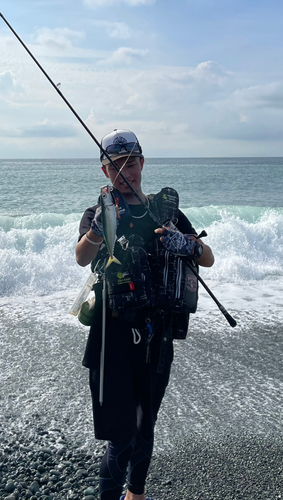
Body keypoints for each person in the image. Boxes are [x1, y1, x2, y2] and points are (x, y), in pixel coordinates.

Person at [76, 129, 214, 500]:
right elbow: (81, 257)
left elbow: (208, 257)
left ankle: (135, 495)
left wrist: (186, 242)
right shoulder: (99, 211)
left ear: (142, 163)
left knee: (145, 426)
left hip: (157, 337)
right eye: (116, 166)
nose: (126, 173)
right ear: (105, 172)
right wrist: (99, 233)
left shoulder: (163, 210)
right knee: (120, 435)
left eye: (132, 163)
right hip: (113, 337)